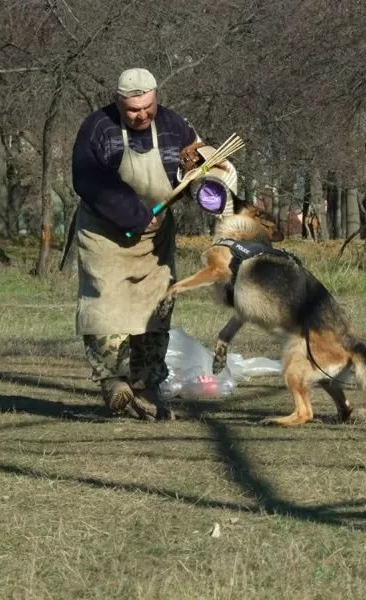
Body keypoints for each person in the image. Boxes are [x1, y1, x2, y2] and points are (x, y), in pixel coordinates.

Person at [68, 67, 238, 422]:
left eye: (147, 106)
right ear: (118, 102)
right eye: (133, 110)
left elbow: (197, 164)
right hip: (105, 233)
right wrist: (132, 214)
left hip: (155, 236)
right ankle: (113, 383)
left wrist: (212, 186)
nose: (142, 114)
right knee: (106, 306)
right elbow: (87, 180)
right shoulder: (97, 128)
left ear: (155, 98)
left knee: (156, 308)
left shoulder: (176, 126)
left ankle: (147, 386)